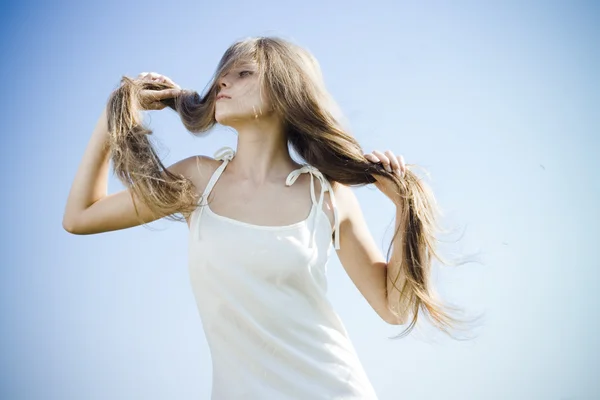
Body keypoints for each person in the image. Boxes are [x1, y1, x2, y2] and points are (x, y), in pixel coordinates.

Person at [63, 36, 476, 399]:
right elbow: (80, 217)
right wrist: (114, 113)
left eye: (243, 73)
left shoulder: (326, 194)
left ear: (285, 91)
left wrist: (405, 207)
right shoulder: (197, 180)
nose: (222, 82)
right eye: (222, 75)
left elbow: (394, 308)